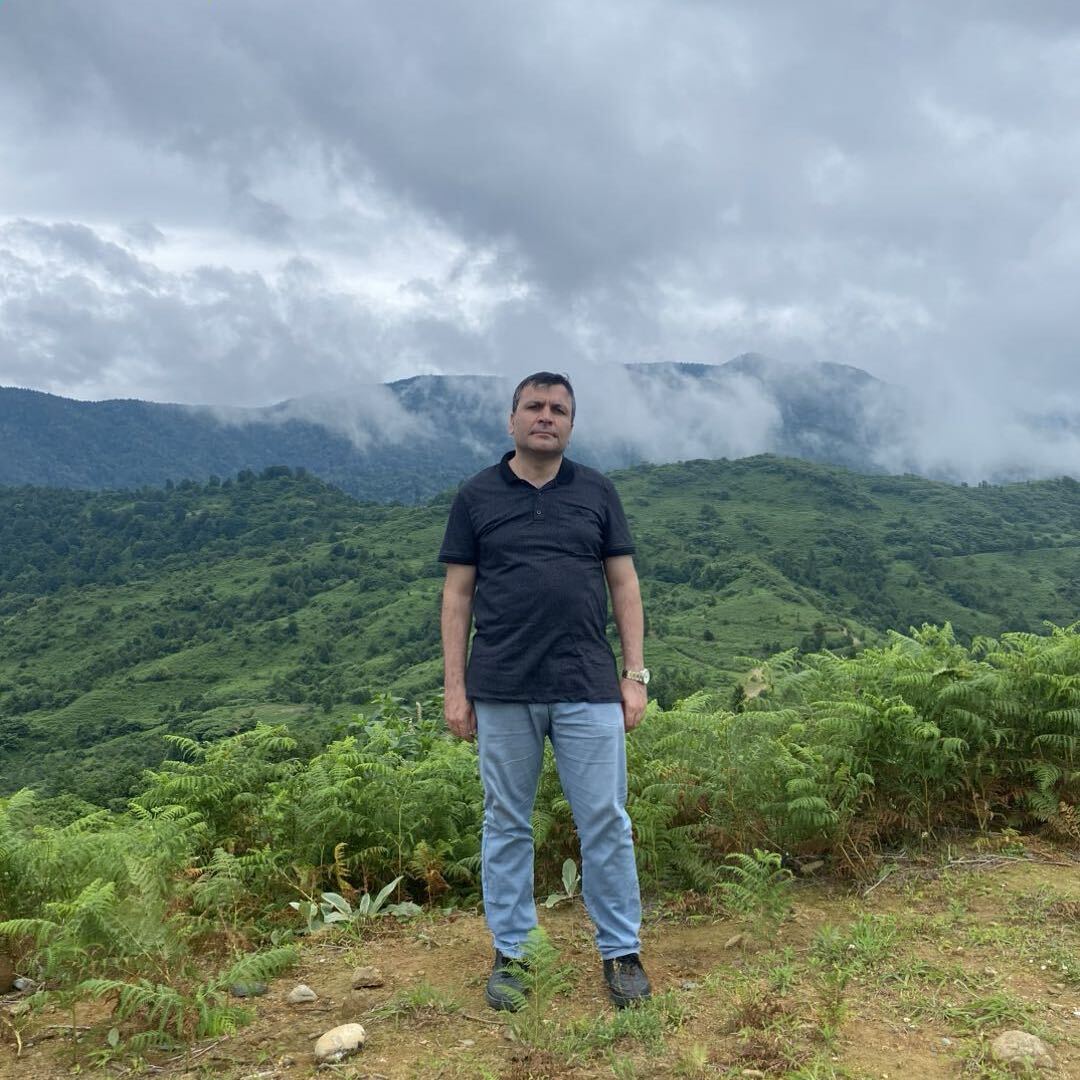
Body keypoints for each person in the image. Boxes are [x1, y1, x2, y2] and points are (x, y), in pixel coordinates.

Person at [439, 371, 652, 1011]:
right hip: (502, 686)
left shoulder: (597, 491)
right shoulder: (476, 496)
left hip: (588, 684)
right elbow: (457, 596)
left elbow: (624, 584)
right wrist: (455, 688)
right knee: (506, 822)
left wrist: (634, 675)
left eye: (559, 409)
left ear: (570, 424)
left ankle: (621, 952)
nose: (546, 416)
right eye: (534, 406)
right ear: (512, 420)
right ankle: (513, 952)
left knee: (606, 821)